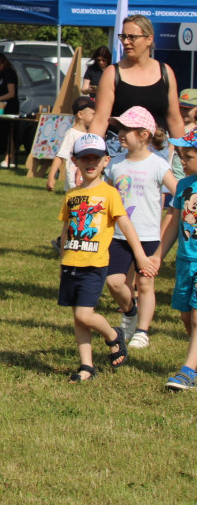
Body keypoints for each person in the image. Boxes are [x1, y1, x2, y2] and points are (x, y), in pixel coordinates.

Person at [56, 133, 154, 382]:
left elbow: (126, 225)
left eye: (96, 158)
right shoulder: (71, 195)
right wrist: (62, 259)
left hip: (95, 264)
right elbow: (67, 229)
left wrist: (140, 256)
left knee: (84, 315)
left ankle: (113, 335)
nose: (90, 163)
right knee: (78, 318)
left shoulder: (109, 194)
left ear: (105, 161)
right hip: (71, 264)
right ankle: (86, 366)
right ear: (74, 160)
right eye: (84, 158)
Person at [104, 107, 175, 350]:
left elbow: (179, 192)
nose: (121, 133)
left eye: (127, 129)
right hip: (118, 235)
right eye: (120, 128)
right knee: (114, 282)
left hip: (148, 236)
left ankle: (142, 331)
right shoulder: (114, 163)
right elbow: (106, 195)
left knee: (145, 284)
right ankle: (130, 312)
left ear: (144, 135)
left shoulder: (157, 164)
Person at [90, 14, 185, 150]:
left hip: (157, 152)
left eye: (132, 37)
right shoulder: (112, 73)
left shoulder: (165, 72)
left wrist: (185, 157)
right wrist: (91, 153)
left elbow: (174, 120)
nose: (126, 42)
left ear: (149, 39)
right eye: (123, 36)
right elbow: (100, 120)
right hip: (119, 151)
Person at [159, 130, 197, 389]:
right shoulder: (183, 185)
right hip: (185, 261)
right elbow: (173, 223)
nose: (181, 161)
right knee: (186, 317)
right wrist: (157, 255)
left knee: (196, 317)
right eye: (181, 155)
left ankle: (188, 370)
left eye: (188, 156)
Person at [46, 96, 96, 193]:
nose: (96, 117)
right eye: (93, 114)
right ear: (81, 114)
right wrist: (51, 177)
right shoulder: (72, 134)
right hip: (74, 181)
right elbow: (60, 156)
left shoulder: (90, 133)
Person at [0, 53, 20, 168]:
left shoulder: (9, 73)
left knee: (10, 133)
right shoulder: (0, 74)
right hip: (1, 107)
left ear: (4, 62)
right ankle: (6, 157)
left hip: (10, 106)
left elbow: (11, 93)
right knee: (4, 132)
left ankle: (10, 158)